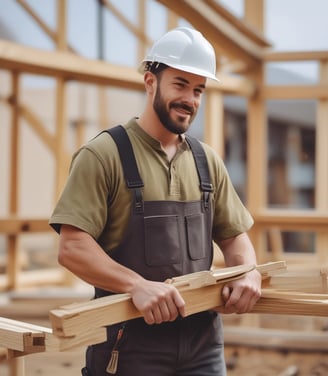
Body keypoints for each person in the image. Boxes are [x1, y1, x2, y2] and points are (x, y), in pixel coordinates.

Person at [49, 27, 261, 376]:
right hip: (129, 345)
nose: (190, 99)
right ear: (150, 81)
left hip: (202, 345)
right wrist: (136, 285)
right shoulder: (103, 155)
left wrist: (248, 272)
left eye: (198, 90)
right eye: (180, 84)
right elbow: (72, 247)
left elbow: (236, 238)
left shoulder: (206, 161)